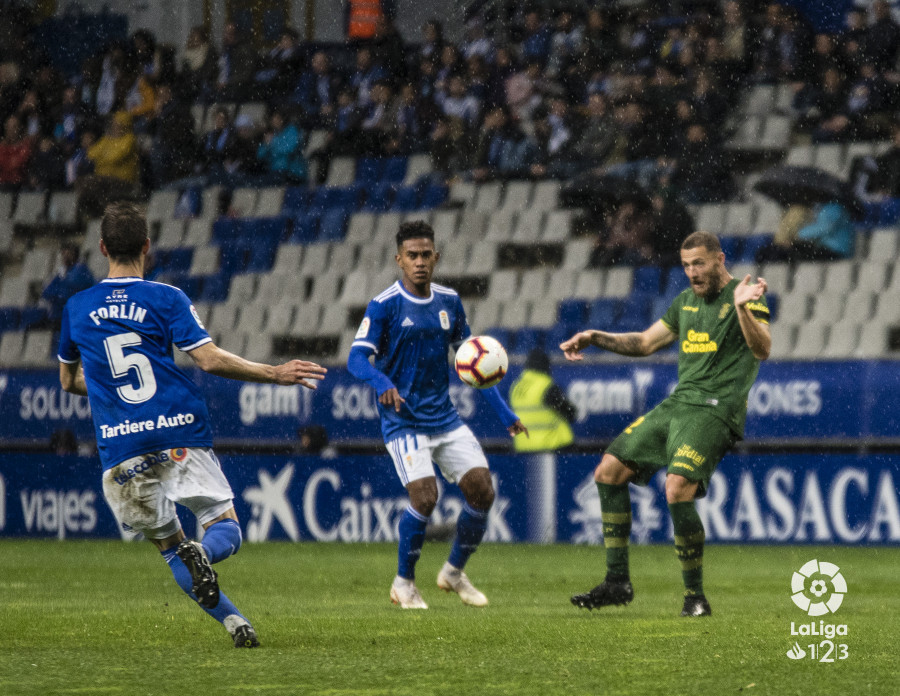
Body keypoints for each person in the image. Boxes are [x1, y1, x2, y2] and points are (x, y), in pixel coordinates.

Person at [58, 202, 327, 647]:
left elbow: (69, 381)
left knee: (170, 549)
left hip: (121, 451)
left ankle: (236, 623)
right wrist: (275, 372)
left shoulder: (76, 307)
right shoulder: (166, 297)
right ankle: (205, 551)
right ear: (148, 246)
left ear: (102, 248)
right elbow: (209, 358)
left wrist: (106, 387)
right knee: (225, 527)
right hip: (177, 432)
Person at [560, 231, 770, 617]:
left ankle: (695, 597)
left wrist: (741, 309)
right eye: (687, 265)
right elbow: (643, 342)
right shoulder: (685, 303)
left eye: (700, 264)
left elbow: (763, 349)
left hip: (715, 409)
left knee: (676, 488)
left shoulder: (745, 295)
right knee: (608, 471)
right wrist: (595, 336)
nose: (692, 272)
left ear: (720, 259)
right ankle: (616, 581)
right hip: (679, 404)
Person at [347, 220, 527, 609]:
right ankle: (404, 583)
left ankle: (453, 572)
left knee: (482, 490)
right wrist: (381, 384)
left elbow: (475, 365)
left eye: (426, 255)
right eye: (412, 255)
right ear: (399, 260)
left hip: (443, 418)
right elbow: (356, 358)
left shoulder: (450, 302)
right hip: (404, 420)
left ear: (437, 257)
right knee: (425, 496)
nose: (420, 262)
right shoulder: (384, 305)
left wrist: (504, 412)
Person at [509, 348, 575, 453]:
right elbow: (571, 413)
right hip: (551, 448)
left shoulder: (516, 386)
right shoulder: (545, 386)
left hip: (523, 448)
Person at [40, 241, 95, 328]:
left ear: (75, 255)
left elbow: (68, 293)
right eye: (63, 254)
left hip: (76, 317)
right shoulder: (61, 272)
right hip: (60, 317)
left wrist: (57, 294)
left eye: (67, 254)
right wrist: (58, 293)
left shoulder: (81, 271)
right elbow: (46, 292)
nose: (64, 257)